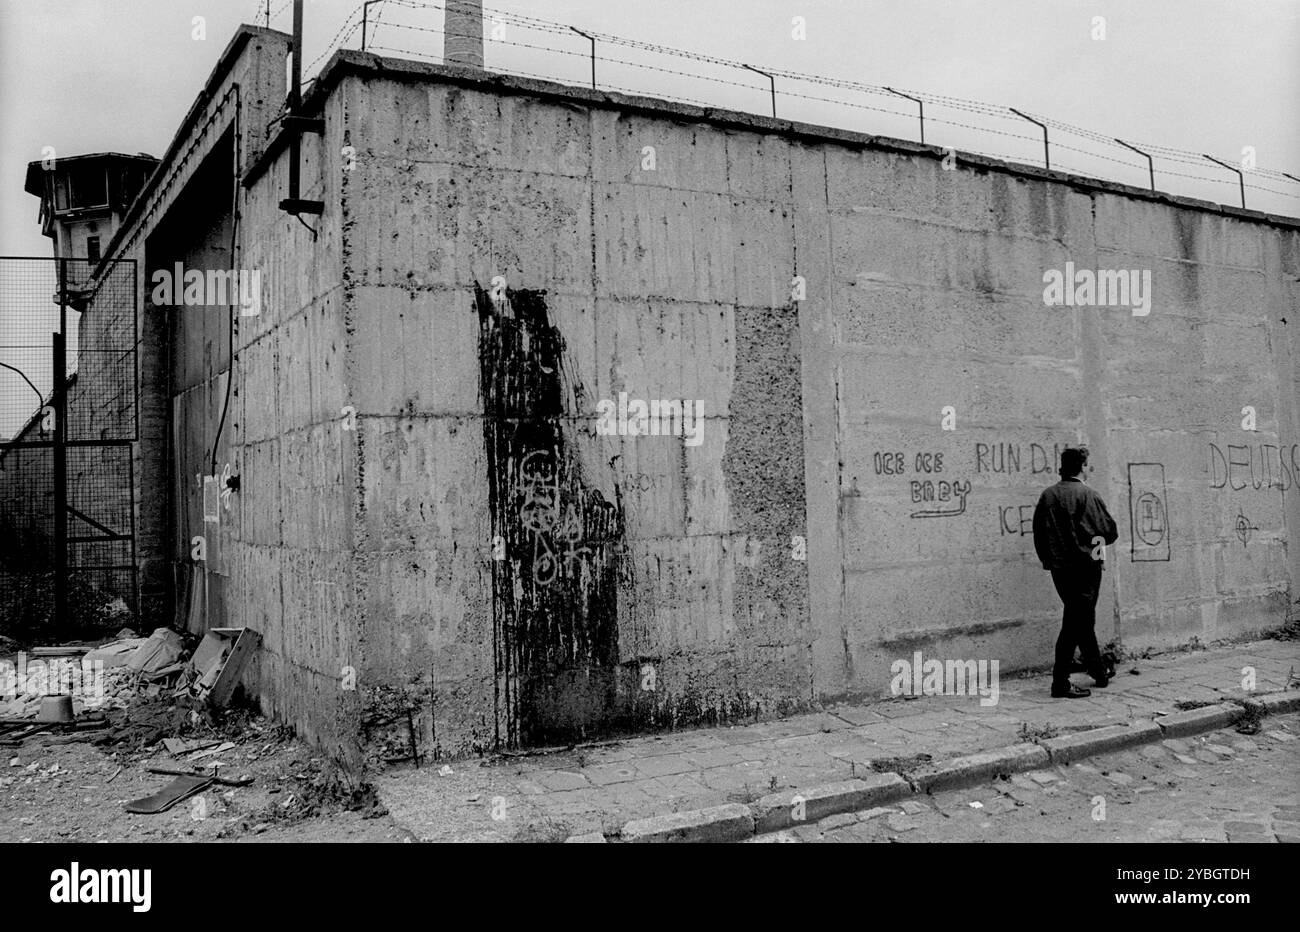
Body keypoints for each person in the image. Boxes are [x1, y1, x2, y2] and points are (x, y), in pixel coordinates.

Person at [1032, 446, 1119, 698]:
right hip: (1085, 570)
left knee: (1080, 619)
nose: (1089, 469)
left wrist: (1050, 561)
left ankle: (1099, 672)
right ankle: (1060, 682)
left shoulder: (1048, 496)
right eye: (1087, 465)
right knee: (1074, 623)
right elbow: (1107, 531)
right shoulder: (1087, 494)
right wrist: (1095, 553)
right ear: (1081, 467)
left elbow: (1039, 534)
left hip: (1060, 570)